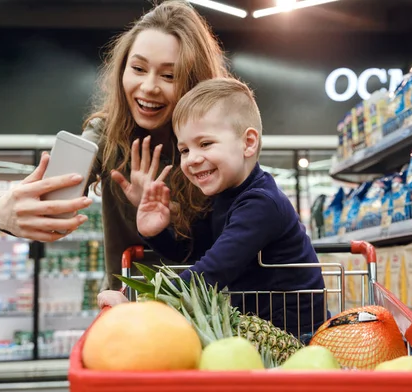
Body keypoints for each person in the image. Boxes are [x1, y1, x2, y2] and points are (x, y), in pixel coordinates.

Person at [0, 0, 229, 291]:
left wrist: (175, 217)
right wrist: (6, 211)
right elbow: (51, 197)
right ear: (122, 70)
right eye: (138, 68)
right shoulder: (106, 134)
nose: (149, 87)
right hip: (126, 307)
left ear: (194, 83)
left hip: (212, 307)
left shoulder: (219, 146)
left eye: (169, 75)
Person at [99, 78, 327, 338]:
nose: (192, 159)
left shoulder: (261, 203)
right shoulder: (224, 197)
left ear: (248, 143)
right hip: (257, 332)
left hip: (296, 336)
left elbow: (212, 271)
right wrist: (156, 233)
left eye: (205, 144)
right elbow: (192, 252)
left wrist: (140, 307)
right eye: (184, 149)